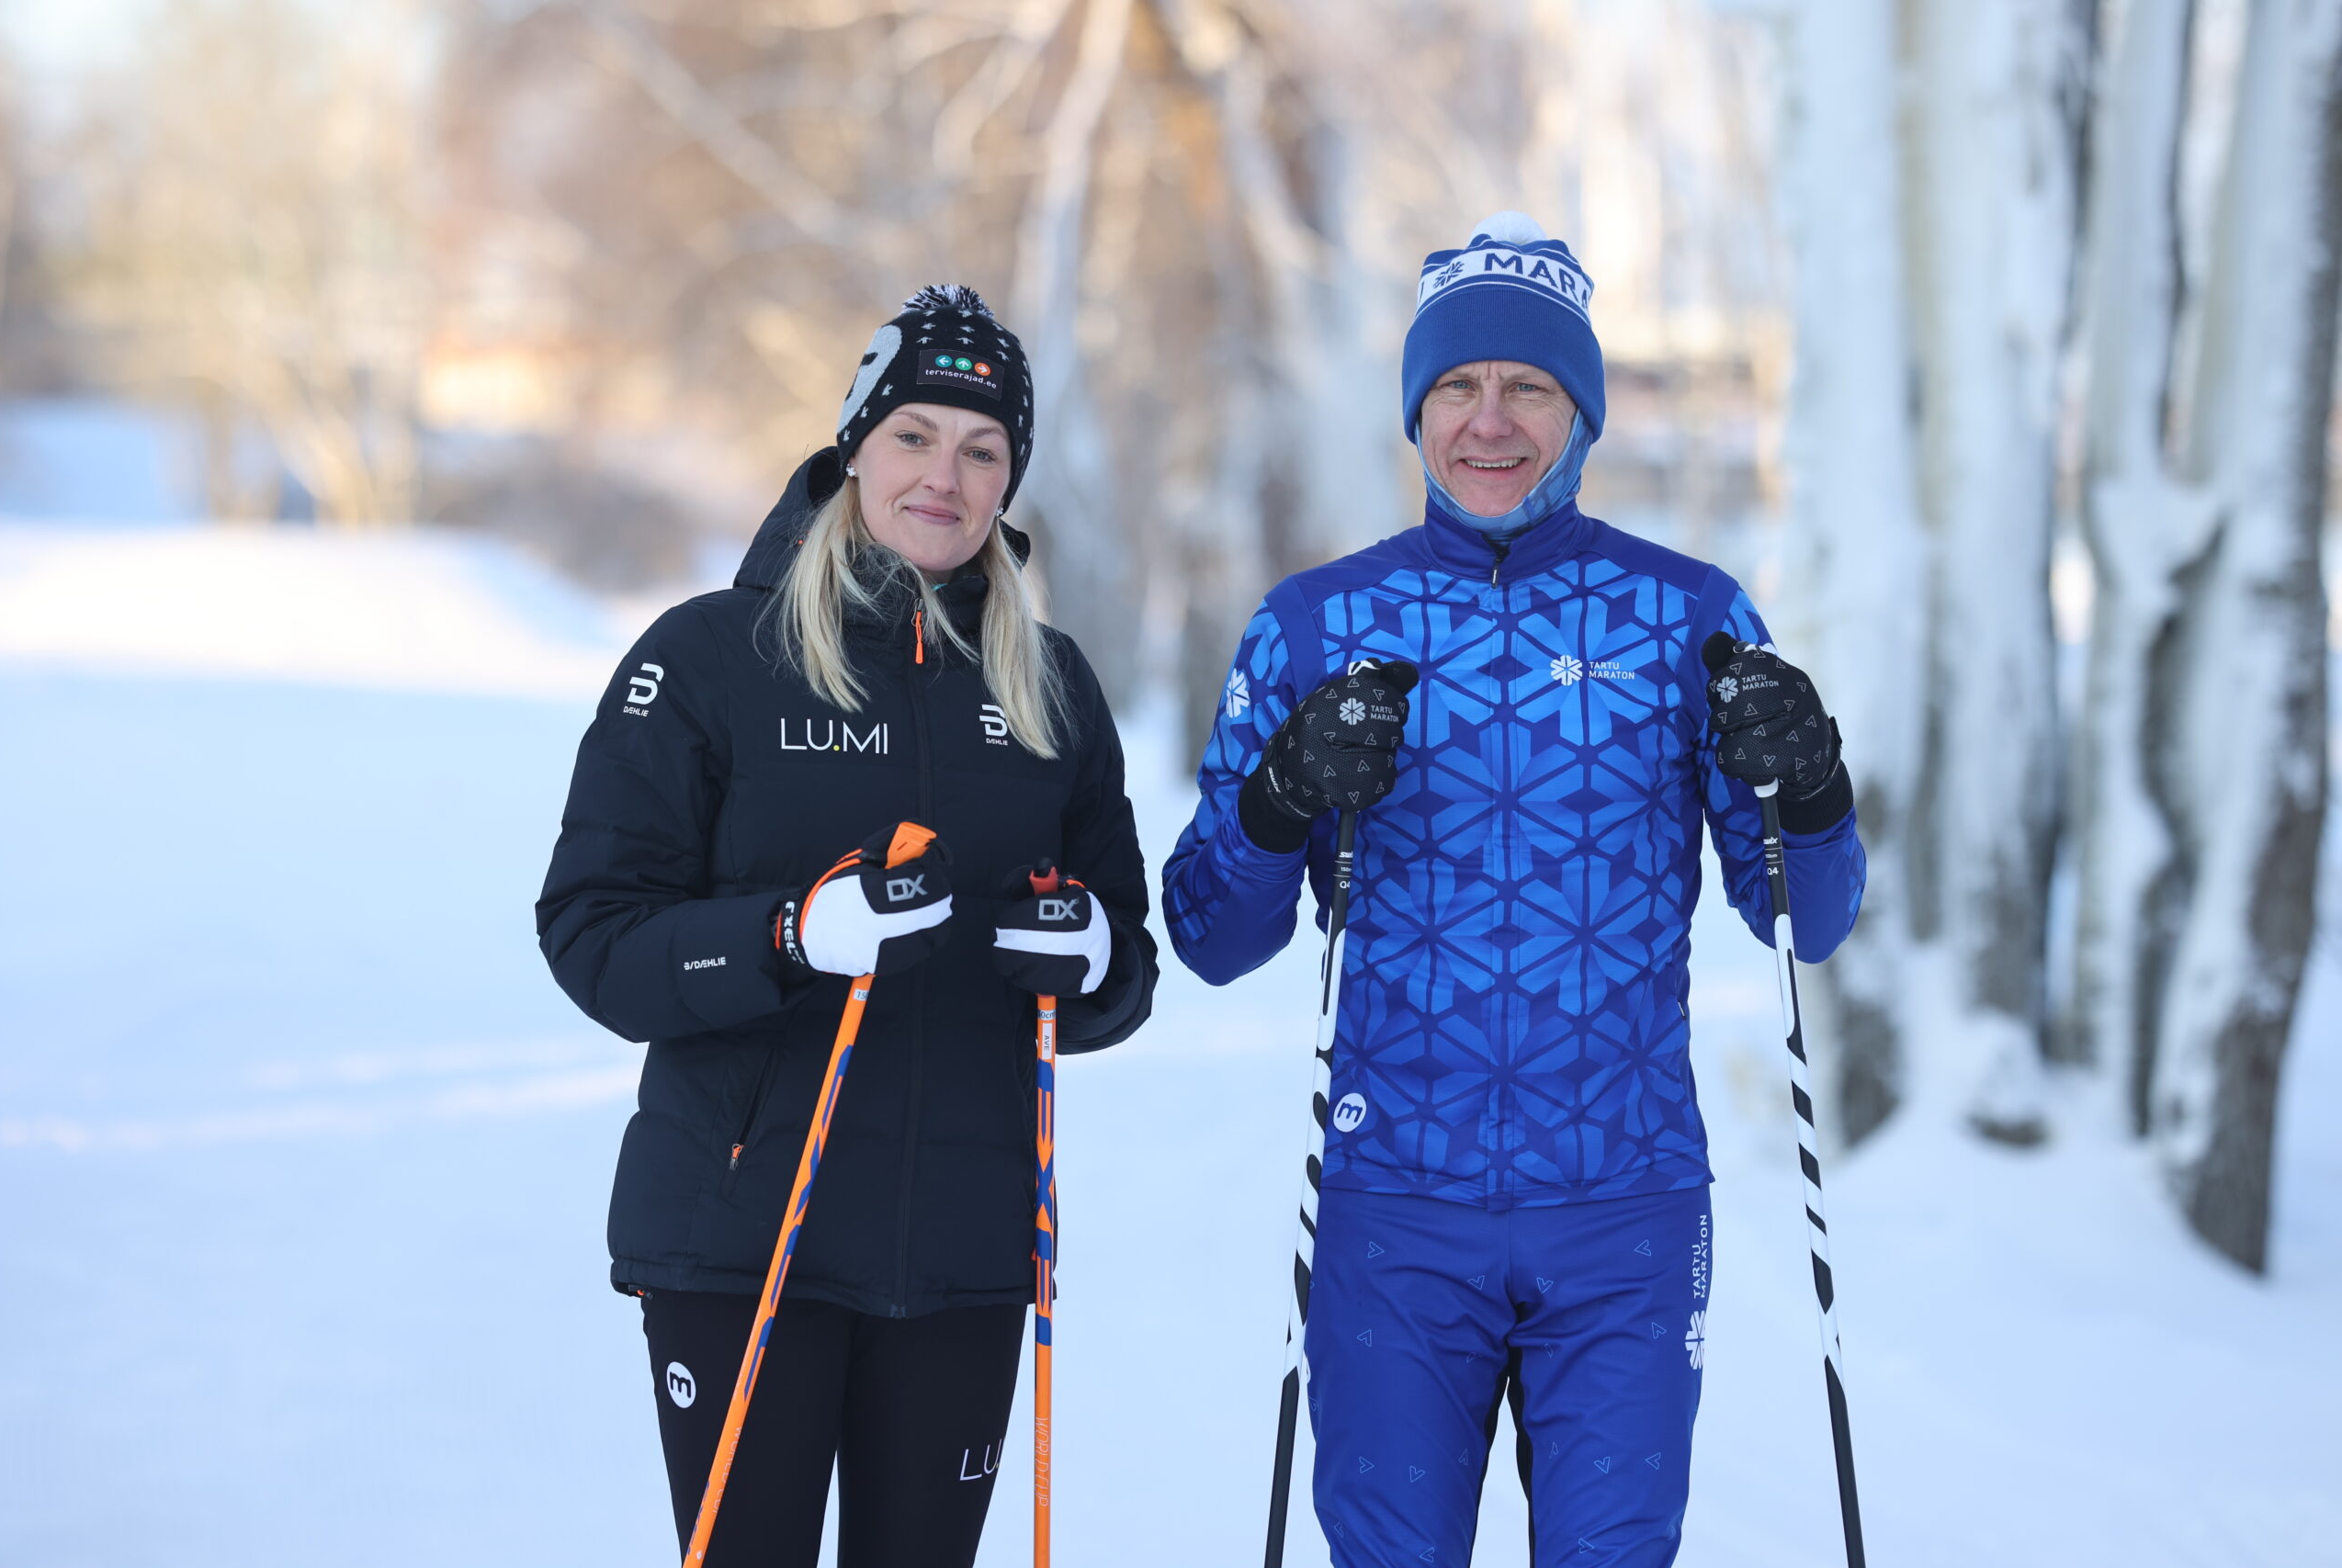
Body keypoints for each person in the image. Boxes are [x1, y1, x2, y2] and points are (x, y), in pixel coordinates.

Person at [1163, 215, 1866, 1567]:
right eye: (1458, 390)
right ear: (1417, 413)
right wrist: (1280, 799)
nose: (1492, 423)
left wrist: (1815, 787)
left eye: (1530, 388)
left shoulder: (1691, 616)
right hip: (1394, 1212)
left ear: (1584, 412)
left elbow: (1807, 919)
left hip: (1625, 1217)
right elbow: (1207, 932)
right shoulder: (1317, 623)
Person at [537, 284, 1157, 1568]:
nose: (947, 474)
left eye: (984, 450)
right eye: (917, 435)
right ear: (854, 448)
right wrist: (785, 938)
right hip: (741, 1243)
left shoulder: (1051, 686)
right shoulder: (711, 657)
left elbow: (1122, 964)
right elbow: (594, 935)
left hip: (968, 1255)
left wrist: (1088, 956)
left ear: (1010, 481)